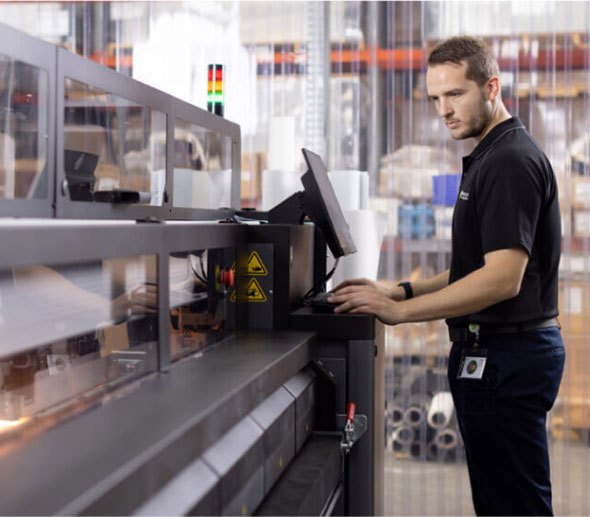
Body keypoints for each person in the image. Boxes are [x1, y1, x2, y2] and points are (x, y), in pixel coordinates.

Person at [329, 36, 564, 516]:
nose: (444, 110)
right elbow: (472, 268)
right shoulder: (489, 155)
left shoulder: (509, 162)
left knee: (515, 506)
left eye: (455, 94)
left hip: (509, 359)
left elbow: (502, 279)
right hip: (499, 357)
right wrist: (398, 288)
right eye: (435, 98)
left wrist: (400, 311)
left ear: (491, 87)